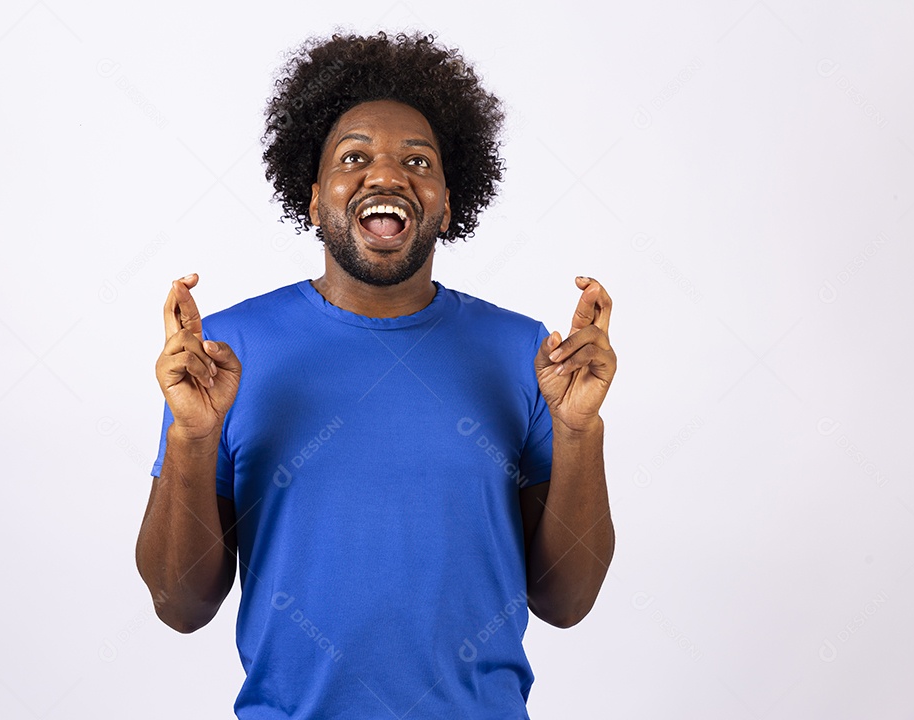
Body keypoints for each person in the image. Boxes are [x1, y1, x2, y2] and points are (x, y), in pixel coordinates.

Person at [136, 31, 617, 719]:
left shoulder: (527, 356)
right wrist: (192, 437)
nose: (386, 176)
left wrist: (579, 429)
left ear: (448, 203)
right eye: (354, 157)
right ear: (313, 199)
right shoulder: (223, 353)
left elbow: (566, 603)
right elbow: (179, 604)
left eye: (416, 161)